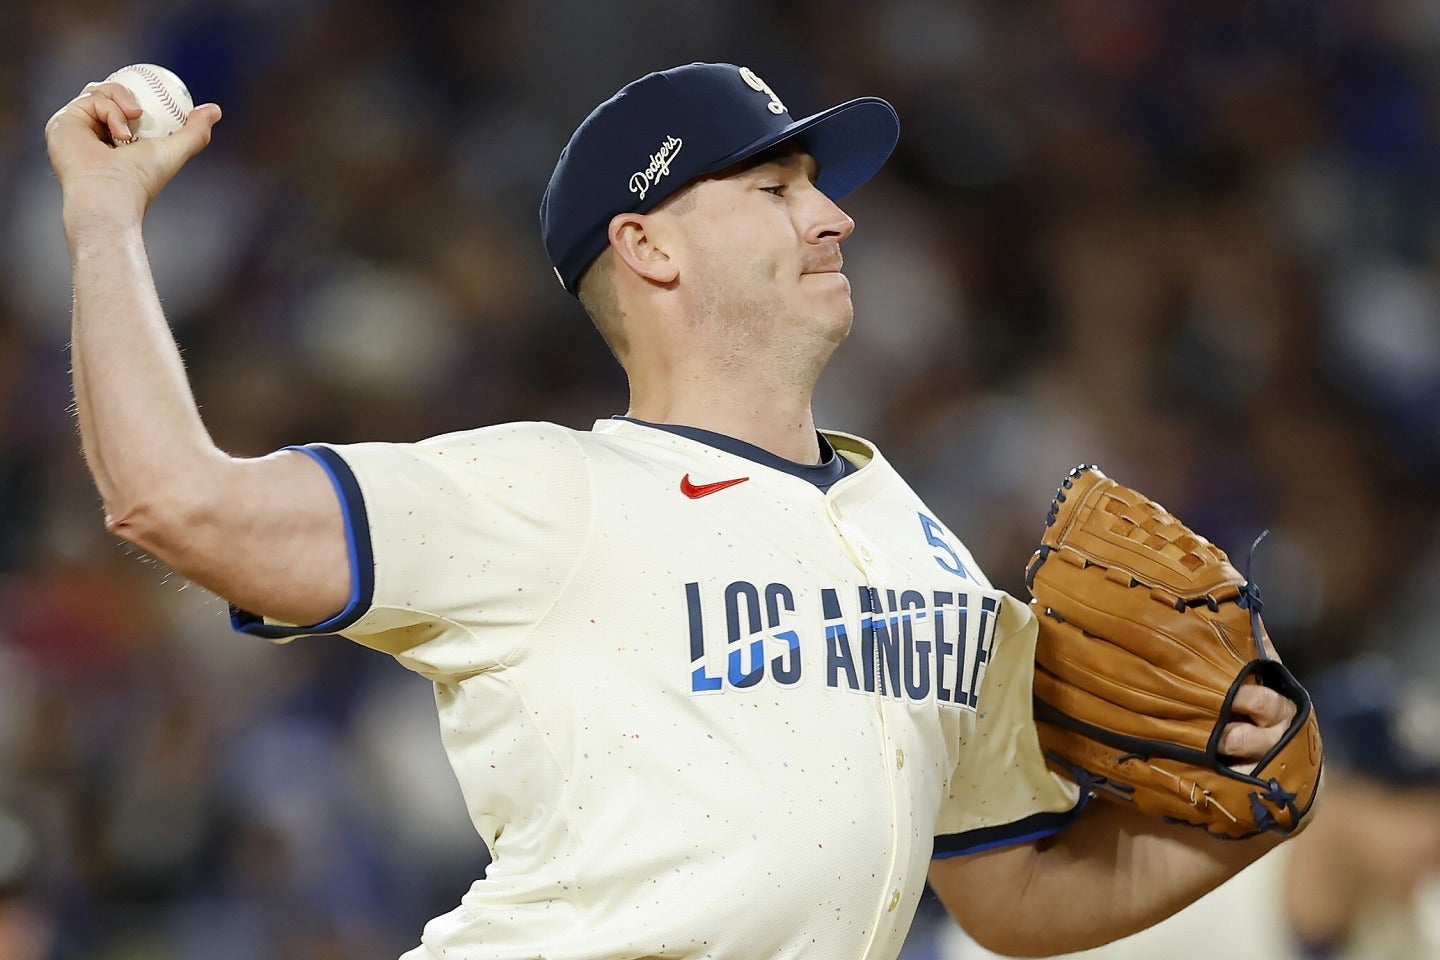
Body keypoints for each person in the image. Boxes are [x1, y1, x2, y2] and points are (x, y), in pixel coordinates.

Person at [45, 61, 1308, 960]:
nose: (836, 215)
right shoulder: (545, 494)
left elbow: (1011, 896)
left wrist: (1253, 814)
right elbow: (175, 501)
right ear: (649, 249)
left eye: (817, 186)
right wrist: (104, 223)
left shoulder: (916, 537)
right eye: (775, 191)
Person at [939, 655, 1440, 960]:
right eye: (1401, 800)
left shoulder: (1410, 930)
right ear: (1332, 787)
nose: (1429, 829)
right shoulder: (1186, 876)